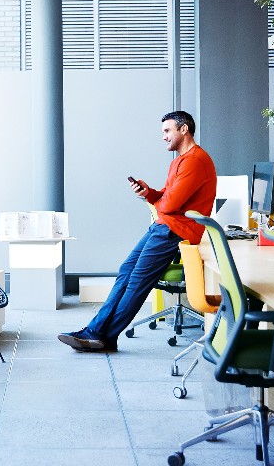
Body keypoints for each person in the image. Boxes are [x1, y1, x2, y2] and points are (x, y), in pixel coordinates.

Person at [58, 110, 217, 352]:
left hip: (174, 231)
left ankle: (101, 335)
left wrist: (161, 204)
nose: (163, 137)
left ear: (183, 130)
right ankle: (99, 333)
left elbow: (171, 205)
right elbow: (166, 197)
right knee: (126, 271)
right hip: (163, 227)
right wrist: (149, 193)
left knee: (137, 282)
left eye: (167, 131)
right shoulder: (180, 160)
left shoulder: (195, 160)